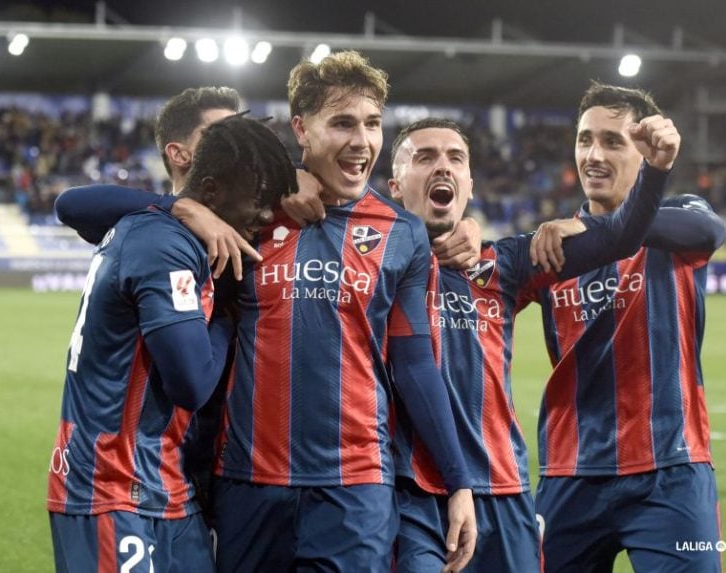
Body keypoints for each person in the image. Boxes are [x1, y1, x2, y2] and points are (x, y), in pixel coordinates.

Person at [55, 53, 477, 572]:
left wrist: (459, 482)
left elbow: (415, 366)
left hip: (355, 487)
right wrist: (183, 206)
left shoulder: (401, 233)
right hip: (246, 482)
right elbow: (76, 206)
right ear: (301, 128)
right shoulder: (249, 211)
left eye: (372, 124)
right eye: (342, 123)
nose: (362, 140)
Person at [384, 114, 676, 572]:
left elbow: (621, 236)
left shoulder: (507, 263)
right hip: (416, 493)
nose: (443, 167)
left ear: (470, 184)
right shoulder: (373, 264)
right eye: (425, 157)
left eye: (455, 158)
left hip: (506, 490)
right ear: (396, 185)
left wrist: (655, 171)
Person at [46, 113, 299, 572]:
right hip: (110, 483)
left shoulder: (172, 231)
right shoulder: (164, 242)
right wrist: (227, 316)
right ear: (211, 190)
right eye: (259, 201)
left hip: (165, 484)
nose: (266, 216)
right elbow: (190, 383)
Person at [530, 82, 726, 572]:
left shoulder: (681, 217)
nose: (593, 155)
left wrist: (600, 227)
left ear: (646, 153)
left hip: (671, 471)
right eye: (584, 139)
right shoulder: (554, 250)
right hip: (570, 474)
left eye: (613, 141)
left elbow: (710, 232)